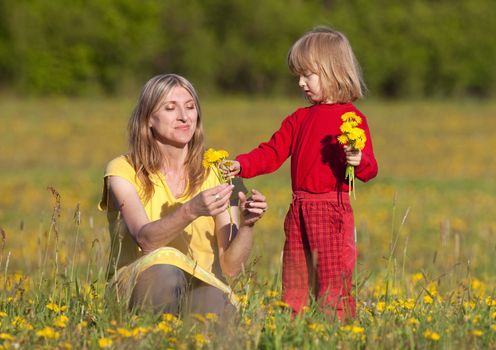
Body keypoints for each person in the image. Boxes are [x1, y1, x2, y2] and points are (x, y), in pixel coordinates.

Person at [224, 27, 378, 320]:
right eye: (298, 75)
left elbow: (370, 169)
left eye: (308, 75)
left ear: (333, 71)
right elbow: (271, 153)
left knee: (333, 281)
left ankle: (337, 331)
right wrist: (242, 164)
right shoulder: (299, 119)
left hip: (331, 207)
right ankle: (294, 328)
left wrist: (357, 160)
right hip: (299, 209)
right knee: (295, 277)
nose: (301, 83)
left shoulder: (352, 118)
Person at [99, 73, 268, 318]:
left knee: (218, 309)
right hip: (138, 285)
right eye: (170, 108)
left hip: (200, 282)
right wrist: (191, 209)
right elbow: (146, 241)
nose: (184, 116)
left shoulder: (219, 170)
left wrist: (248, 225)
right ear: (148, 119)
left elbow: (231, 266)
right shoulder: (123, 170)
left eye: (190, 107)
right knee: (166, 271)